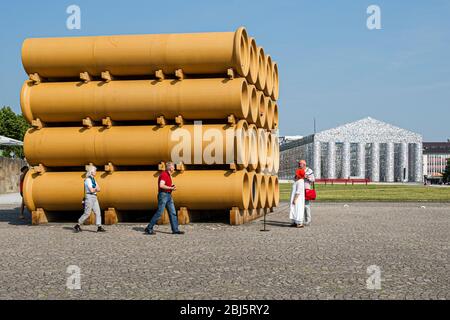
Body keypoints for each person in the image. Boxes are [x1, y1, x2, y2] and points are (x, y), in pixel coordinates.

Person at [144, 162, 184, 235]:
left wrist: (171, 186)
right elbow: (161, 185)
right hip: (163, 195)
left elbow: (165, 185)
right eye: (173, 167)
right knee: (159, 212)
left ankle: (175, 230)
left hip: (168, 195)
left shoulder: (168, 175)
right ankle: (149, 228)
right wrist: (171, 187)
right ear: (169, 168)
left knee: (173, 213)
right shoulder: (164, 174)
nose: (174, 168)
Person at [74, 165, 106, 233]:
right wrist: (96, 189)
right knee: (87, 213)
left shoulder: (93, 180)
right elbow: (92, 190)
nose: (96, 172)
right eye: (95, 171)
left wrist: (95, 189)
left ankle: (99, 226)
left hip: (94, 197)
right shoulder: (88, 180)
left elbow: (99, 189)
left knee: (98, 212)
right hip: (89, 197)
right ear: (91, 172)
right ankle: (78, 224)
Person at [298, 160, 315, 226]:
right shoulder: (298, 170)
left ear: (304, 164)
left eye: (300, 164)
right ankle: (300, 220)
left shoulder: (309, 170)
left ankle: (308, 220)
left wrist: (307, 177)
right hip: (299, 190)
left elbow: (313, 179)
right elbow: (294, 178)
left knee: (306, 205)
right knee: (299, 205)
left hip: (306, 189)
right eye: (299, 164)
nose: (299, 165)